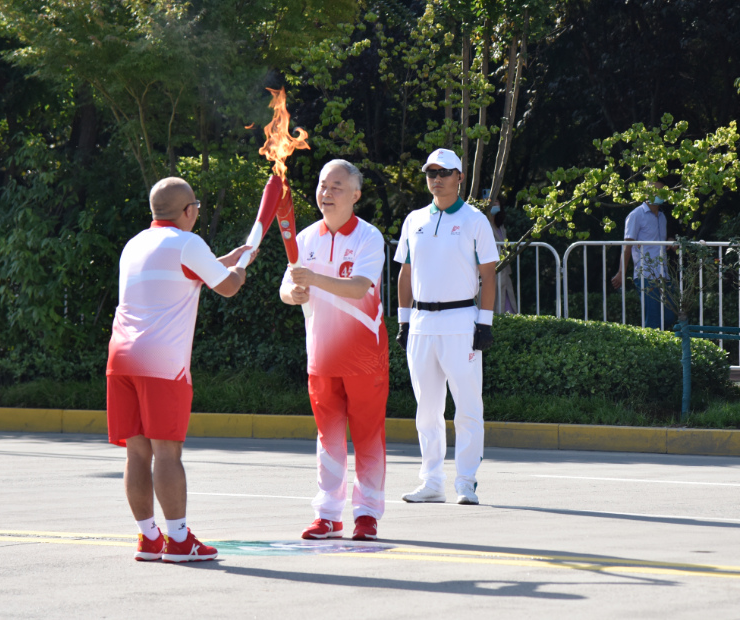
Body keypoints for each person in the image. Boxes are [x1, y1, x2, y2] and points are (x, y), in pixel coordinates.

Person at [106, 177, 254, 563]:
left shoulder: (135, 244)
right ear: (188, 211)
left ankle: (149, 539)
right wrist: (240, 267)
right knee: (167, 452)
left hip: (120, 357)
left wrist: (223, 262)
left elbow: (182, 277)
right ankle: (179, 540)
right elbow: (227, 287)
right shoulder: (188, 243)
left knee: (137, 454)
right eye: (198, 206)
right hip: (162, 363)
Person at [280, 159, 389, 541]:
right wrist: (294, 292)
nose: (326, 193)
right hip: (322, 355)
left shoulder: (368, 238)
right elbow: (286, 289)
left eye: (336, 186)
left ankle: (367, 513)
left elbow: (359, 286)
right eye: (323, 185)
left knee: (367, 434)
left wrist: (314, 279)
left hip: (364, 356)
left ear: (356, 195)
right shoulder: (305, 238)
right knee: (328, 436)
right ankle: (328, 513)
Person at [394, 148, 498, 505]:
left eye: (444, 172)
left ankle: (465, 480)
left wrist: (484, 323)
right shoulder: (414, 220)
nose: (436, 179)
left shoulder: (475, 221)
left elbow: (488, 274)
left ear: (459, 177)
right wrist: (404, 321)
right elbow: (405, 273)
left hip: (460, 322)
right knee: (427, 408)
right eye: (431, 173)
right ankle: (432, 479)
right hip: (422, 323)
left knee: (467, 406)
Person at [610, 182, 675, 329]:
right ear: (646, 194)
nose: (659, 195)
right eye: (655, 192)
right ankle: (651, 350)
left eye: (661, 192)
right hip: (646, 274)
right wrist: (622, 272)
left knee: (670, 315)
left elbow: (659, 241)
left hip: (663, 274)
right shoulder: (636, 215)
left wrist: (670, 241)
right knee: (652, 319)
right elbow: (627, 246)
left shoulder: (662, 217)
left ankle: (660, 347)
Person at [484, 191, 517, 315]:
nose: (493, 204)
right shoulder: (484, 225)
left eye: (495, 201)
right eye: (489, 201)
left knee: (507, 302)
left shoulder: (501, 227)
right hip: (490, 270)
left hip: (503, 270)